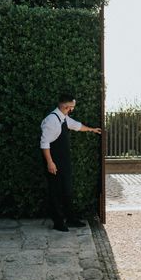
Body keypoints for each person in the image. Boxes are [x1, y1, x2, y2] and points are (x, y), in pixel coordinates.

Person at [40, 94, 101, 231]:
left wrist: (92, 129)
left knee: (67, 190)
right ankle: (58, 222)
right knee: (55, 192)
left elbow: (77, 126)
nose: (72, 110)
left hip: (64, 163)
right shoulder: (52, 121)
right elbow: (44, 144)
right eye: (71, 107)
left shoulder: (64, 118)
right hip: (54, 163)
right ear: (65, 106)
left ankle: (71, 219)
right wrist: (50, 163)